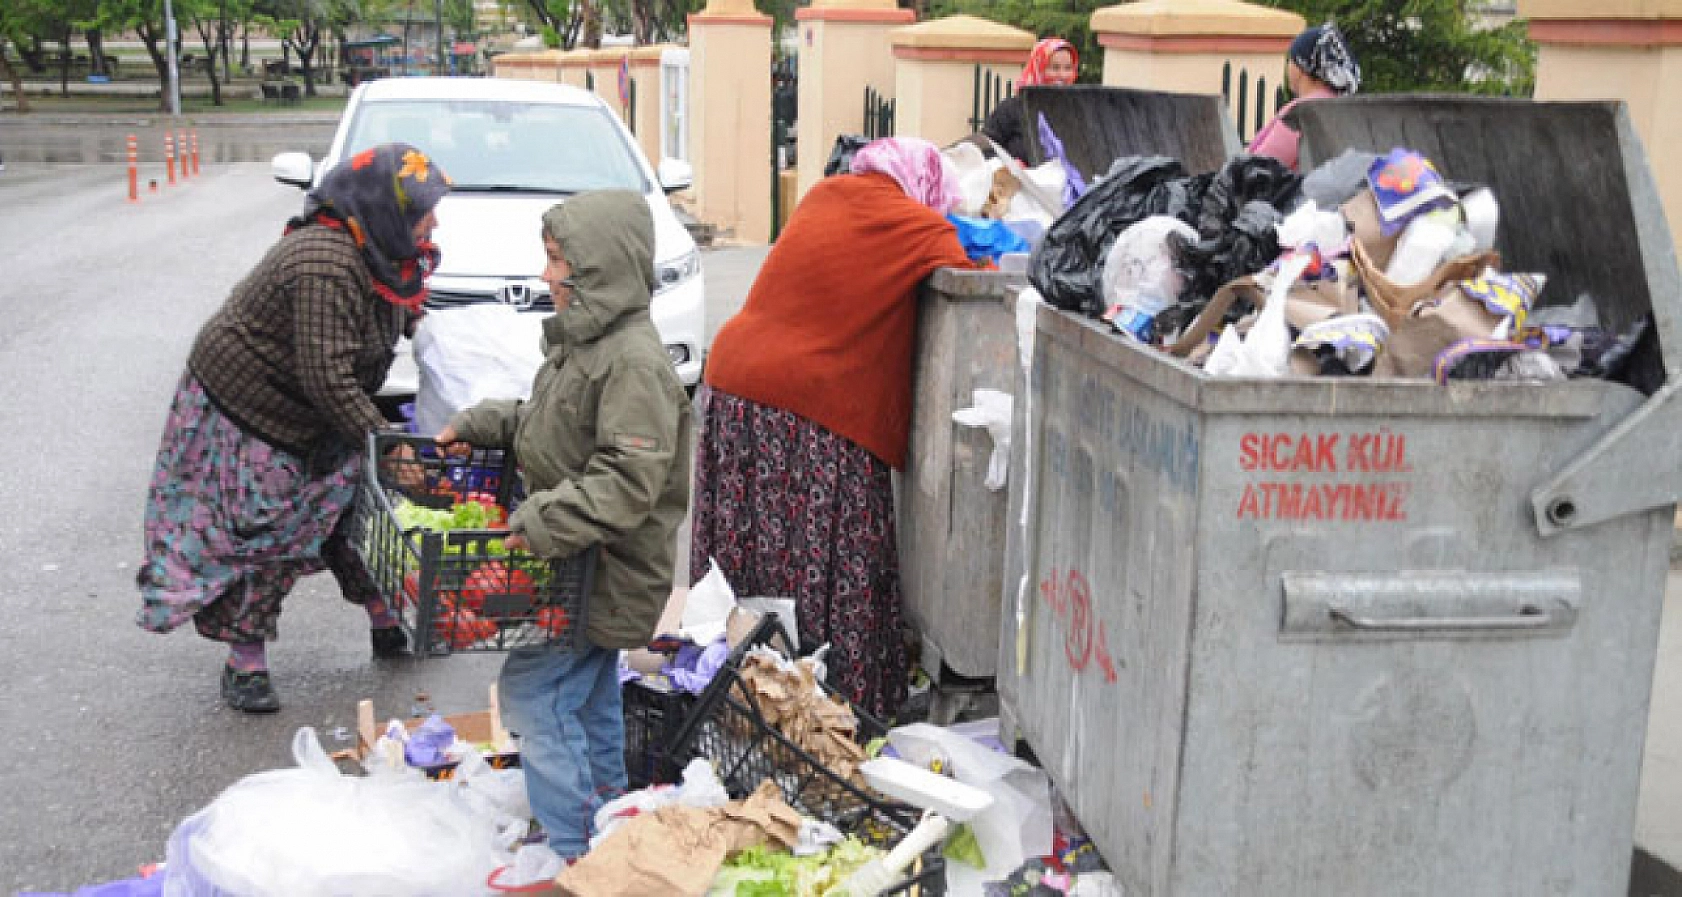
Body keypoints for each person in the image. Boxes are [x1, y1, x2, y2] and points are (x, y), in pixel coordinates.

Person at [135, 143, 449, 712]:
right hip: (253, 407)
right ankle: (245, 663)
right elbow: (325, 375)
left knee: (359, 508)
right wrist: (388, 443)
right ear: (385, 211)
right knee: (265, 529)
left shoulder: (387, 253)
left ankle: (387, 621)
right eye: (422, 212)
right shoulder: (323, 261)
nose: (433, 223)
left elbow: (392, 319)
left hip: (319, 403)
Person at [435, 190, 692, 860]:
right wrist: (486, 422)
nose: (547, 275)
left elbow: (627, 479)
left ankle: (575, 847)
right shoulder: (588, 345)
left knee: (537, 692)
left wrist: (541, 519)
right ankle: (605, 825)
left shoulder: (632, 363)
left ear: (598, 269)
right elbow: (549, 425)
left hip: (604, 571)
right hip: (578, 566)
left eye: (558, 261)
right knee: (587, 697)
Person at [689, 137, 977, 719]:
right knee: (836, 556)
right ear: (923, 186)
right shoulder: (914, 225)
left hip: (734, 384)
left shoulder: (825, 196)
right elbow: (971, 274)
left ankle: (735, 697)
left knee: (746, 565)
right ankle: (834, 708)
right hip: (807, 406)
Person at [1248, 23, 1362, 172]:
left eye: (1291, 59)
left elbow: (1258, 166)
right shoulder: (1341, 107)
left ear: (1300, 66)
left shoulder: (1302, 112)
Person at [981, 37, 1079, 161]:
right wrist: (1008, 165)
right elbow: (984, 148)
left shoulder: (1077, 111)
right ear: (1038, 68)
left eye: (1068, 68)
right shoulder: (1012, 109)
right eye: (1054, 67)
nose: (1062, 75)